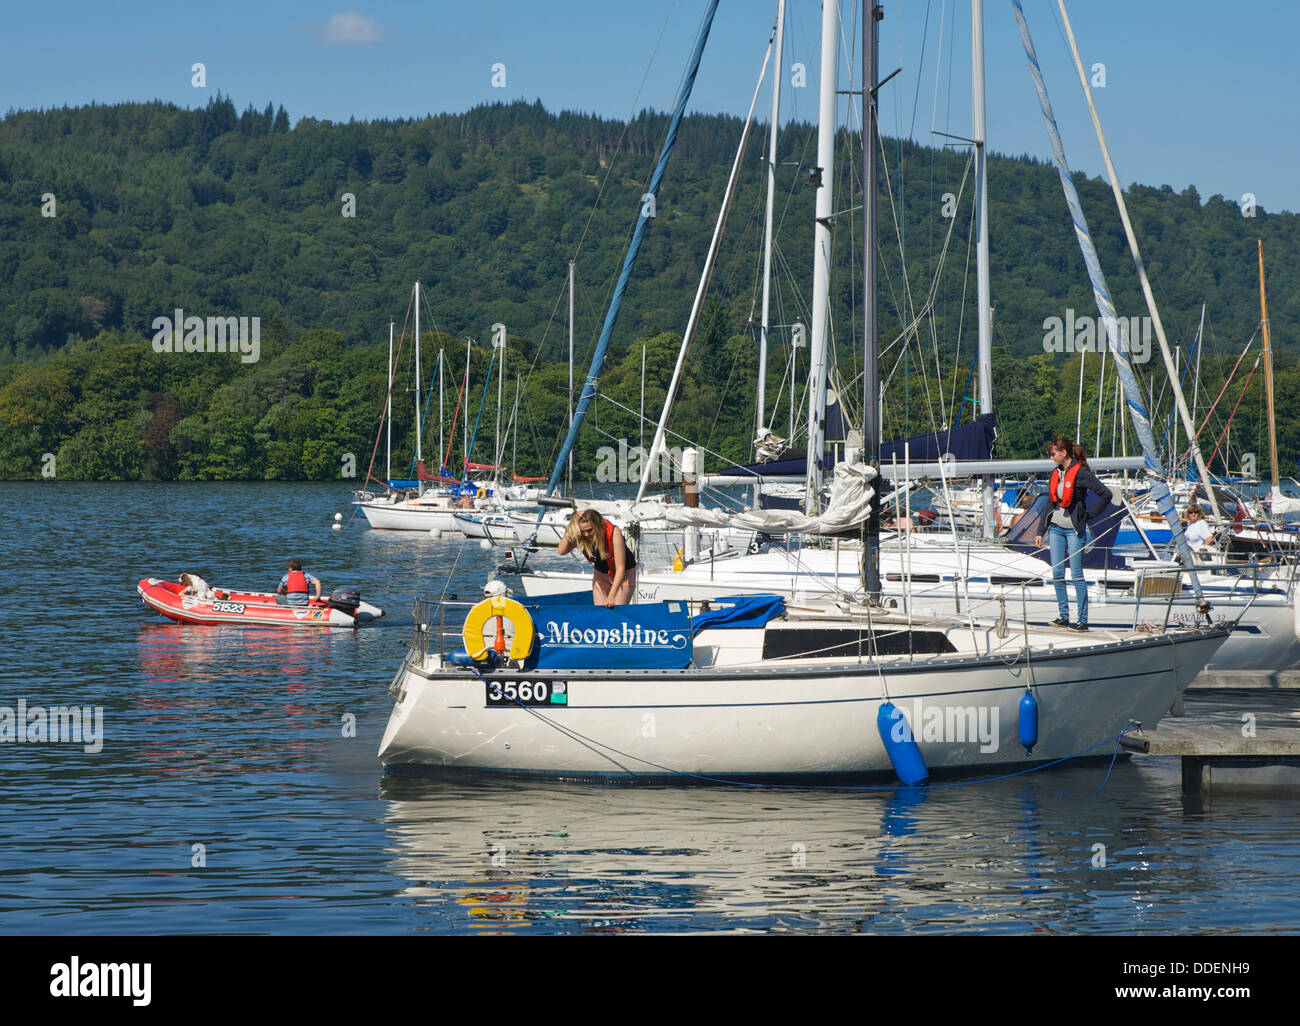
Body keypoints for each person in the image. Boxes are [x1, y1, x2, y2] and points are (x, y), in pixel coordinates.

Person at [1033, 437, 1113, 632]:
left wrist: (1089, 516)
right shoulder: (1056, 473)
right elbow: (1050, 504)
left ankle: (1082, 620)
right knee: (1057, 573)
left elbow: (1106, 494)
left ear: (1063, 453)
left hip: (1074, 529)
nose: (1051, 458)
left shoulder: (1081, 473)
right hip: (1055, 528)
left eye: (1053, 454)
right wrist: (1040, 531)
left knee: (1077, 574)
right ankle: (1063, 615)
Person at [558, 509, 636, 607]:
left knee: (616, 610)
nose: (586, 534)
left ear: (597, 525)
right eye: (583, 531)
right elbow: (561, 551)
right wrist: (571, 527)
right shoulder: (583, 536)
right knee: (599, 610)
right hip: (602, 572)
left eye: (590, 530)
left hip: (624, 574)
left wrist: (611, 595)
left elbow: (620, 568)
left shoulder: (614, 532)